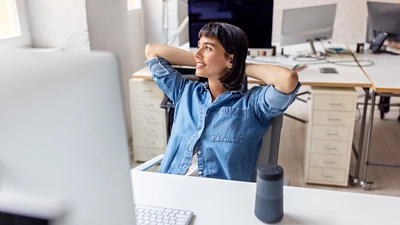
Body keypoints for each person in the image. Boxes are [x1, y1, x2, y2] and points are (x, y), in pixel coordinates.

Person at [144, 22, 300, 182]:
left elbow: (288, 79)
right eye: (199, 46)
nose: (197, 54)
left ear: (230, 60)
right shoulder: (184, 92)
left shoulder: (252, 106)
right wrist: (202, 60)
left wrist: (239, 66)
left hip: (220, 197)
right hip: (169, 187)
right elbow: (152, 51)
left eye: (208, 48)